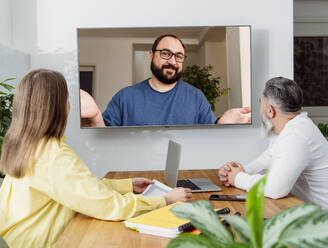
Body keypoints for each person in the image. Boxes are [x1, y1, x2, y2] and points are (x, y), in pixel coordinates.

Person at [0, 69, 192, 248]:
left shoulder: (28, 145)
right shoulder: (54, 156)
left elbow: (80, 187)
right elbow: (109, 206)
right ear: (58, 107)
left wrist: (127, 185)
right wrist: (165, 200)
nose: (70, 105)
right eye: (67, 99)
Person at [218, 77, 328, 210]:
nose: (259, 110)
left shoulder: (297, 135)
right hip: (310, 214)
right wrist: (236, 171)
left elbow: (276, 189)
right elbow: (267, 159)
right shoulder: (291, 129)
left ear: (270, 110)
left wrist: (238, 178)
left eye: (260, 103)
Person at [80, 34, 251, 127]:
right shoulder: (125, 97)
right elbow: (102, 138)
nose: (172, 61)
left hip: (184, 176)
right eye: (165, 54)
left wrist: (223, 125)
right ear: (151, 55)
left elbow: (209, 140)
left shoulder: (196, 97)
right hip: (134, 177)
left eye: (179, 56)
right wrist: (94, 116)